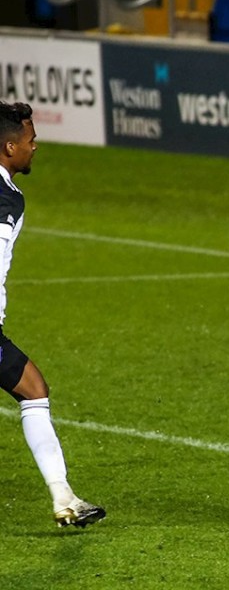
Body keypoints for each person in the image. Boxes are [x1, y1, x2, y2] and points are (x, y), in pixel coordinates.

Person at [0, 101, 105, 527]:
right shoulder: (6, 199)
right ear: (9, 147)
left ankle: (65, 498)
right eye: (31, 140)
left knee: (34, 389)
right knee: (34, 391)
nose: (35, 147)